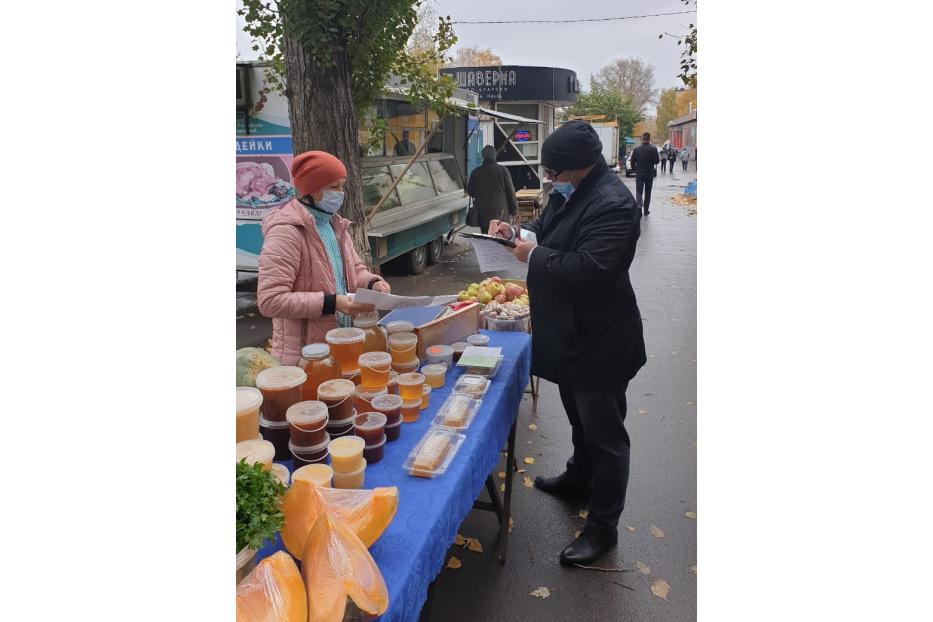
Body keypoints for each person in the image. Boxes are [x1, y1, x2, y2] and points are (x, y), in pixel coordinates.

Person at [487, 120, 646, 567]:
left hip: (602, 340)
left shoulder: (614, 203)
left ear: (580, 167)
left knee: (606, 435)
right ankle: (579, 477)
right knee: (578, 415)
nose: (550, 180)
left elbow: (593, 269)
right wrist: (515, 235)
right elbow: (545, 225)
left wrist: (533, 256)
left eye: (555, 173)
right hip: (573, 335)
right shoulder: (571, 190)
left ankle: (602, 529)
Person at [257, 150, 390, 366]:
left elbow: (354, 269)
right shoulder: (286, 231)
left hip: (340, 345)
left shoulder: (333, 224)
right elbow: (270, 301)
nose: (340, 193)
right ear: (311, 190)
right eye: (333, 187)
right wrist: (331, 303)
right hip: (304, 358)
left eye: (341, 186)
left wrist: (372, 282)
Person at [466, 145, 519, 232]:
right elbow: (511, 192)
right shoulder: (503, 170)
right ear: (495, 155)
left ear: (483, 156)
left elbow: (470, 192)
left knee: (486, 238)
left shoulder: (475, 172)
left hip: (483, 214)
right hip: (501, 212)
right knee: (501, 237)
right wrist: (514, 210)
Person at [630, 132, 660, 217]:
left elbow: (632, 161)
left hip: (639, 174)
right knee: (648, 192)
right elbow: (657, 161)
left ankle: (639, 208)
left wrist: (634, 169)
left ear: (642, 139)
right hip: (649, 174)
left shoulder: (636, 149)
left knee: (639, 191)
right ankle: (646, 211)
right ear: (649, 139)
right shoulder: (653, 149)